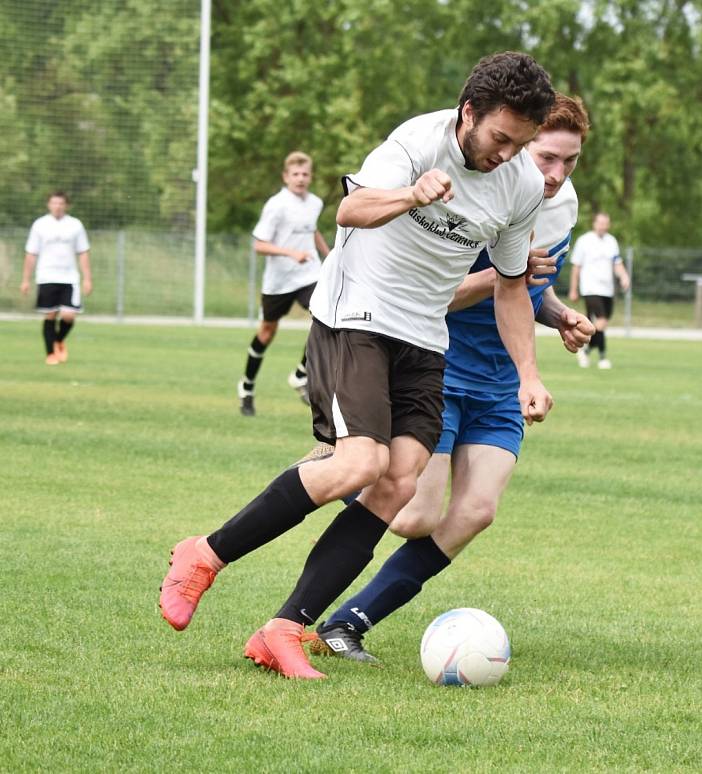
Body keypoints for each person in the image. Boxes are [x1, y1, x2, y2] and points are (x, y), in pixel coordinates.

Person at [159, 51, 556, 680]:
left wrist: (529, 373)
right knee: (360, 461)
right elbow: (348, 211)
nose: (508, 155)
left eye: (522, 143)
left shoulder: (522, 184)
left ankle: (283, 630)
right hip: (356, 316)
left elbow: (510, 285)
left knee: (398, 482)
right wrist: (410, 193)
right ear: (469, 112)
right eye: (501, 139)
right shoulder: (415, 141)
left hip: (426, 336)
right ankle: (203, 554)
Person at [309, 94, 595, 663]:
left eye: (570, 161)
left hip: (499, 381)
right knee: (414, 514)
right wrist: (498, 279)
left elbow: (525, 289)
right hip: (440, 365)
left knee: (476, 512)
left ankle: (347, 621)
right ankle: (338, 464)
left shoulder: (562, 206)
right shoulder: (480, 189)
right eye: (545, 158)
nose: (556, 175)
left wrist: (558, 314)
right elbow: (444, 295)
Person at [237, 151, 330, 415]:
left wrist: (329, 254)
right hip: (279, 281)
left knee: (325, 315)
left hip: (309, 275)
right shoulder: (276, 205)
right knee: (267, 332)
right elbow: (259, 245)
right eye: (295, 174)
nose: (300, 179)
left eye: (305, 174)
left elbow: (311, 229)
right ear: (286, 177)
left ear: (310, 177)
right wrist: (291, 253)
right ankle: (246, 386)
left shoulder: (314, 203)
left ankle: (302, 373)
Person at [20, 191, 92, 365]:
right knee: (50, 314)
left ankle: (58, 340)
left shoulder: (75, 225)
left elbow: (83, 252)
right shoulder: (40, 225)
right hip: (46, 276)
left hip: (69, 277)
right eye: (54, 203)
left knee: (69, 315)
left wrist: (87, 278)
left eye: (61, 203)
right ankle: (51, 354)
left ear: (66, 205)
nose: (57, 206)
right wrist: (25, 279)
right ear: (49, 204)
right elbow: (31, 253)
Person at [568, 212, 630, 369]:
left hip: (607, 290)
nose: (603, 226)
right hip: (590, 288)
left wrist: (624, 276)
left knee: (598, 324)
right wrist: (574, 289)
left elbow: (617, 263)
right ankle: (602, 357)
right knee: (600, 320)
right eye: (600, 223)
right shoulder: (584, 241)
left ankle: (586, 350)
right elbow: (577, 267)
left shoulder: (611, 241)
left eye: (606, 223)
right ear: (594, 223)